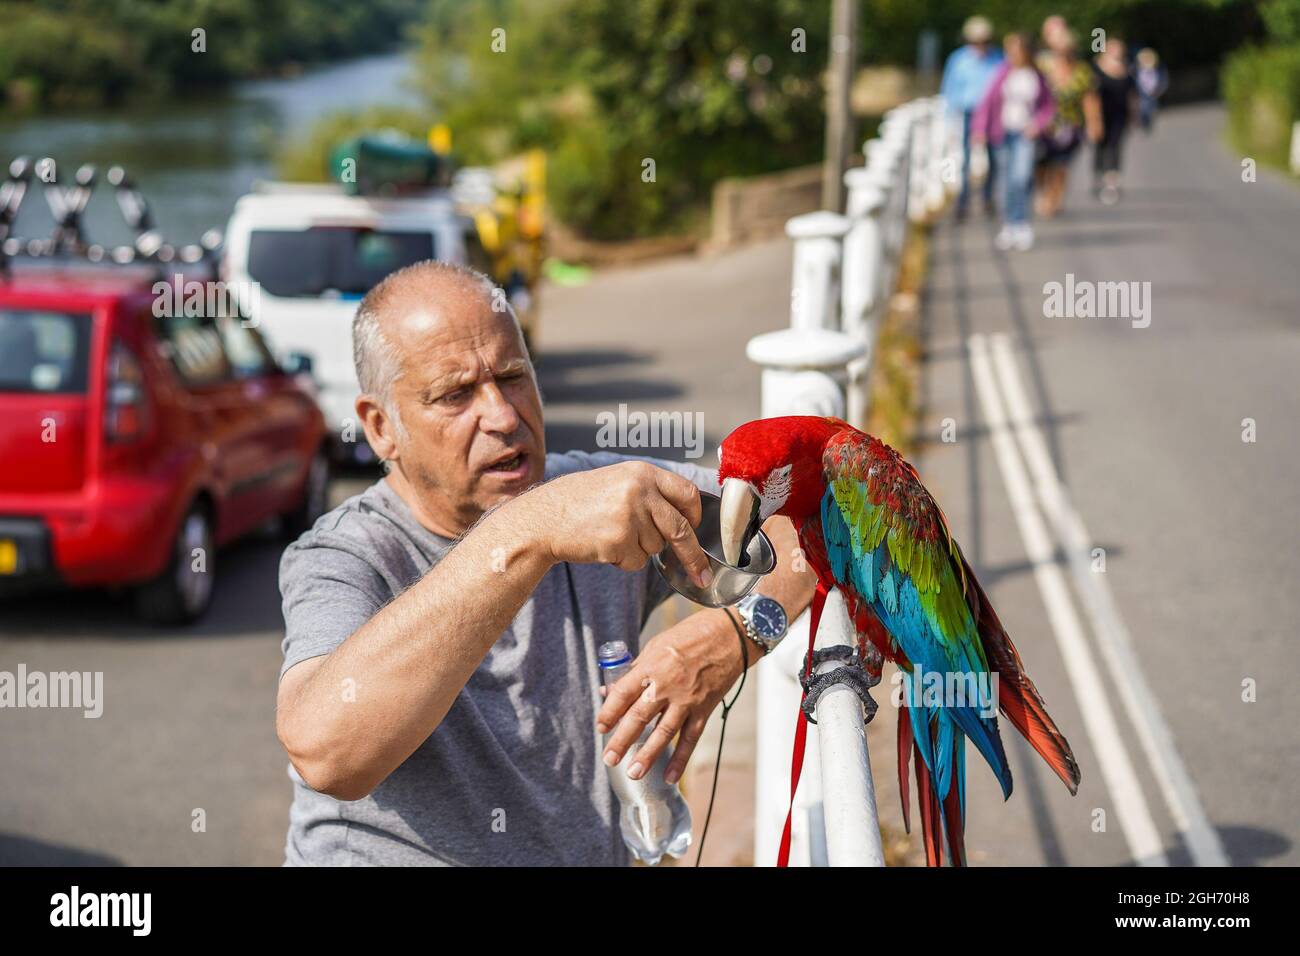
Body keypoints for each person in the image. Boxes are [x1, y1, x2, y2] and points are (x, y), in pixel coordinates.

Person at [273, 260, 814, 865]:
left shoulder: (595, 496)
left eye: (512, 376)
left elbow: (813, 516)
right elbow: (325, 754)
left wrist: (733, 637)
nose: (503, 417)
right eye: (455, 395)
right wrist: (528, 533)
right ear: (380, 428)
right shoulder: (344, 555)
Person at [972, 33, 1055, 251]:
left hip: (1025, 134)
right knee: (1005, 181)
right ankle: (1009, 224)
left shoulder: (1037, 75)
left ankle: (1022, 223)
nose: (1013, 55)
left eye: (1016, 50)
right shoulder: (1003, 73)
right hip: (1003, 133)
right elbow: (987, 102)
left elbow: (1048, 106)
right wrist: (979, 129)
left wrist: (1037, 124)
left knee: (1021, 177)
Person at [940, 15, 1004, 221]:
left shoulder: (998, 58)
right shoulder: (959, 60)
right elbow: (949, 89)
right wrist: (949, 119)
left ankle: (987, 198)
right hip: (968, 112)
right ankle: (963, 202)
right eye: (977, 41)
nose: (981, 46)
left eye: (984, 41)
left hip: (993, 115)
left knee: (994, 159)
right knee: (965, 158)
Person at [1035, 31, 1102, 218]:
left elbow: (1089, 99)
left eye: (1066, 50)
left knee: (1061, 166)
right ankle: (1043, 192)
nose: (1063, 54)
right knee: (1041, 164)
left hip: (1070, 126)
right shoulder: (1043, 68)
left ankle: (1055, 198)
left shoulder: (1081, 71)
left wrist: (1093, 123)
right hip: (1044, 126)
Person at [1092, 37, 1138, 204]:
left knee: (1115, 145)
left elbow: (1132, 95)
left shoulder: (1127, 70)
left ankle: (1112, 179)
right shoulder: (1096, 69)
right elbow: (1091, 94)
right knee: (1100, 145)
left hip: (1120, 115)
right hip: (1101, 114)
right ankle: (1098, 175)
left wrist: (1134, 116)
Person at [1135, 47, 1168, 133]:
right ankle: (1145, 122)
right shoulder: (1137, 70)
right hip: (1143, 93)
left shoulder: (1158, 69)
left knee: (1151, 108)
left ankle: (1148, 122)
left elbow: (1163, 81)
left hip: (1154, 92)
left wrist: (1159, 90)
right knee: (1144, 108)